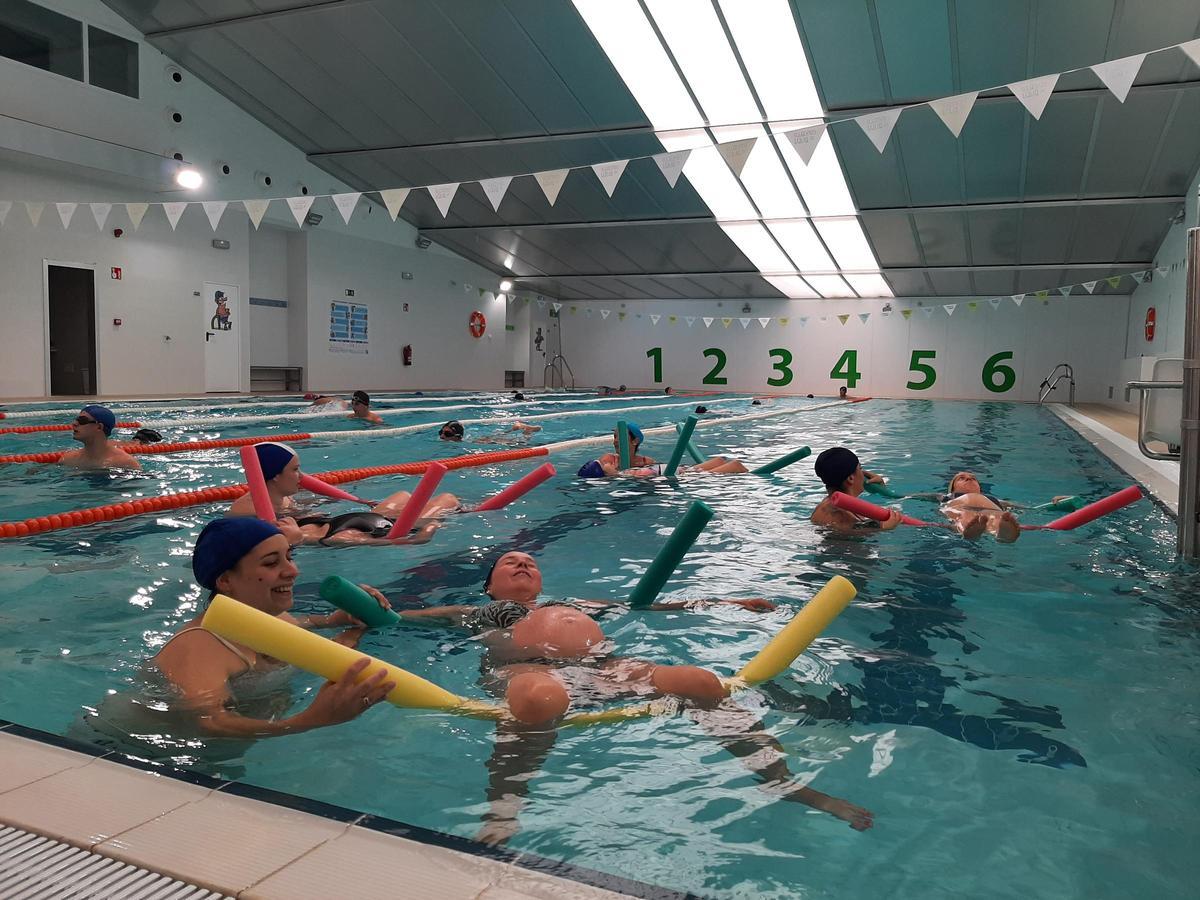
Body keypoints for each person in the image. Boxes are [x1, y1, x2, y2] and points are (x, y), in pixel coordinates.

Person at [386, 551, 869, 839]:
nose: (523, 563)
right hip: (525, 668)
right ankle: (504, 807)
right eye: (510, 562)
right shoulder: (470, 612)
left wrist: (731, 601)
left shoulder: (575, 603)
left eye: (530, 562)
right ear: (490, 586)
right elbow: (391, 620)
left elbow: (653, 606)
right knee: (538, 699)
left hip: (606, 669)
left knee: (699, 681)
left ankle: (783, 782)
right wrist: (364, 607)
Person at [153, 518, 394, 739]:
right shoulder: (199, 645)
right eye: (271, 563)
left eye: (289, 557)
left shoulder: (276, 619)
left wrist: (351, 618)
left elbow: (317, 634)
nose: (293, 571)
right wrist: (310, 720)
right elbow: (211, 722)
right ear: (225, 580)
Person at [229, 442, 458, 545]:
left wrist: (354, 499)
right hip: (350, 528)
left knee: (403, 494)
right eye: (296, 470)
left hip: (352, 522)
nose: (302, 477)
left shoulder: (281, 496)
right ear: (276, 476)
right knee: (447, 499)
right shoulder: (248, 511)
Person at [809, 447, 901, 532]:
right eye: (860, 468)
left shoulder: (833, 504)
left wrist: (880, 490)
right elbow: (848, 536)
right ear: (850, 478)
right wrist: (883, 528)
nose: (864, 474)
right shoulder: (840, 515)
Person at [937, 472, 1022, 542]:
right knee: (963, 516)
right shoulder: (948, 496)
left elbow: (1016, 506)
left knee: (997, 517)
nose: (969, 479)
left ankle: (1001, 533)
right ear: (953, 488)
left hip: (990, 509)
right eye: (961, 478)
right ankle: (968, 531)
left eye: (973, 478)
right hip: (961, 508)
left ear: (979, 488)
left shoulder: (993, 499)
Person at [58, 405, 141, 471]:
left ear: (99, 427)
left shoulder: (125, 463)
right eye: (76, 420)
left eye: (82, 421)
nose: (74, 424)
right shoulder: (67, 460)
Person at [439, 419, 541, 443]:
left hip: (488, 441)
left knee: (520, 443)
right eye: (441, 432)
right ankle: (520, 428)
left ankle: (527, 430)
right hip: (486, 439)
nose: (442, 436)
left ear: (457, 435)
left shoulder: (473, 442)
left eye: (447, 434)